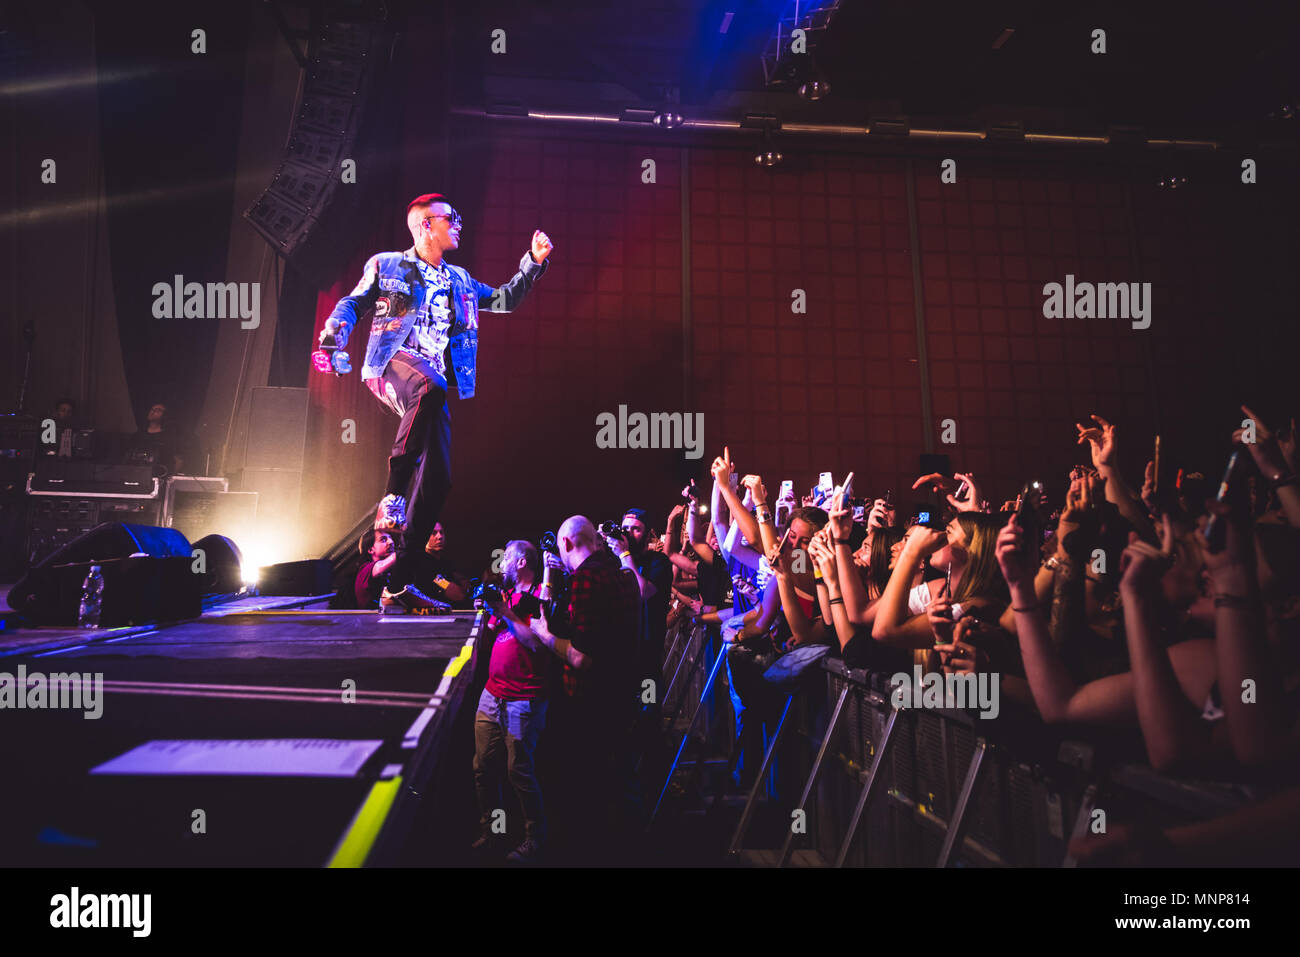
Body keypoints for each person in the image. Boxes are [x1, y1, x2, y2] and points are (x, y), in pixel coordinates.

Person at [316, 193, 552, 612]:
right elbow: (353, 302)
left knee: (439, 478)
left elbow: (503, 300)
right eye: (451, 218)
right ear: (426, 225)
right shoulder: (387, 264)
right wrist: (333, 340)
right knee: (430, 388)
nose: (459, 223)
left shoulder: (459, 279)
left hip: (430, 382)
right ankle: (392, 497)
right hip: (391, 365)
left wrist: (532, 263)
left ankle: (399, 582)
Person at [472, 540, 553, 863]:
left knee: (518, 770)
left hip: (524, 697)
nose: (501, 562)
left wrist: (505, 612)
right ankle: (493, 831)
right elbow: (492, 631)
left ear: (521, 563)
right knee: (482, 766)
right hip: (493, 693)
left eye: (506, 558)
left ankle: (536, 838)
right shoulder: (507, 596)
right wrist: (488, 608)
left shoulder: (540, 597)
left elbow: (535, 643)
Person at [354, 529, 398, 608]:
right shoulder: (366, 569)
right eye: (383, 540)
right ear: (371, 550)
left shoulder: (389, 571)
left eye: (390, 538)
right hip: (369, 619)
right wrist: (404, 548)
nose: (391, 542)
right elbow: (379, 566)